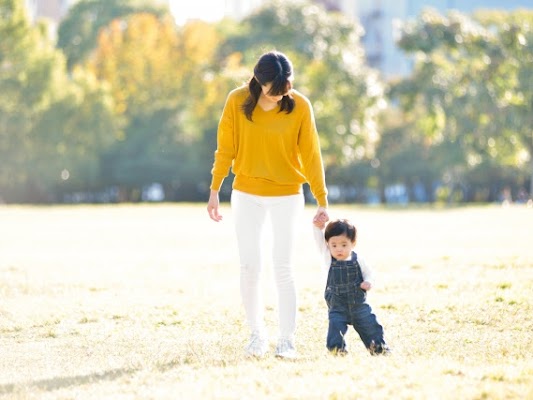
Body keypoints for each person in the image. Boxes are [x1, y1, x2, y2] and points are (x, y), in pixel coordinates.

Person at [207, 51, 329, 359]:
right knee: (249, 266)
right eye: (275, 89)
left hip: (287, 195)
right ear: (259, 82)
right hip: (246, 194)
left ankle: (286, 340)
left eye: (285, 88)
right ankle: (256, 335)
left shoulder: (300, 105)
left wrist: (321, 200)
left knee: (283, 266)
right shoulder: (236, 101)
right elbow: (225, 149)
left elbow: (311, 155)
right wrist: (214, 190)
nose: (280, 95)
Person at [313, 217, 390, 355]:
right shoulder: (328, 259)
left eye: (344, 244)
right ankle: (338, 350)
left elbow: (369, 273)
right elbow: (319, 241)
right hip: (337, 306)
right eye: (334, 245)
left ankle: (379, 349)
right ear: (328, 244)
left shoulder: (358, 259)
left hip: (359, 305)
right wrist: (318, 227)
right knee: (335, 328)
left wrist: (368, 282)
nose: (339, 249)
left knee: (370, 326)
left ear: (352, 243)